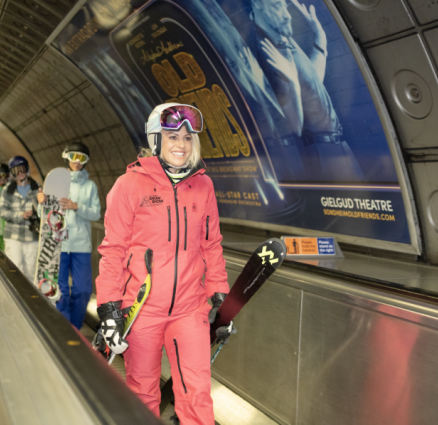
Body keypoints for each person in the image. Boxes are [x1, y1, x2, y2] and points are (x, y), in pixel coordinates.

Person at [96, 104, 234, 424]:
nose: (181, 144)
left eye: (187, 137)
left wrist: (220, 294)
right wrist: (109, 306)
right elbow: (113, 249)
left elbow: (211, 244)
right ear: (155, 138)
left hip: (190, 307)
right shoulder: (129, 185)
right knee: (143, 393)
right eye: (172, 136)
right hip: (142, 307)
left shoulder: (203, 185)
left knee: (196, 392)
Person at [251, 0, 364, 180]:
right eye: (276, 4)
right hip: (324, 153)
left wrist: (320, 40)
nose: (287, 14)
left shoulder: (282, 39)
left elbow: (312, 85)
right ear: (257, 4)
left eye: (284, 4)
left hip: (334, 148)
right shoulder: (268, 50)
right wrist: (291, 82)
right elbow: (293, 127)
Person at [37, 142, 101, 329]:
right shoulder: (55, 181)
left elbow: (96, 213)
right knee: (61, 290)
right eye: (73, 156)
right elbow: (45, 214)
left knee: (82, 290)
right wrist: (41, 202)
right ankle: (64, 328)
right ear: (66, 157)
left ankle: (75, 327)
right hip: (59, 244)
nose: (77, 161)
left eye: (82, 158)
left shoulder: (90, 186)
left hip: (81, 244)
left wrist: (77, 207)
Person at [0, 156, 41, 278]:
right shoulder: (8, 190)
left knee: (31, 270)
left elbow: (45, 211)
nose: (20, 174)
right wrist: (20, 215)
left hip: (32, 236)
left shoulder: (37, 188)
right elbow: (2, 211)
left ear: (27, 170)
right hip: (13, 236)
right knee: (15, 268)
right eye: (16, 171)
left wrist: (38, 210)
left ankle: (29, 296)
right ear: (12, 173)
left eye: (22, 170)